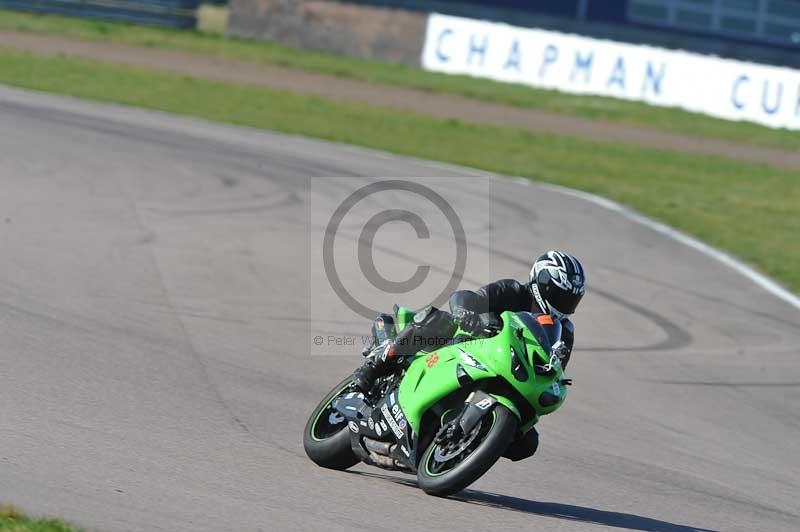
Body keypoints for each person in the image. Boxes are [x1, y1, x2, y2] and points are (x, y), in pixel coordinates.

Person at [352, 250, 586, 392]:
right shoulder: (513, 291)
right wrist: (467, 313)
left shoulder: (564, 331)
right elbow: (468, 297)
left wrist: (555, 378)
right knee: (436, 319)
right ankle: (376, 366)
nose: (565, 305)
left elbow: (555, 371)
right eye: (561, 297)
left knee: (526, 443)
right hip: (467, 342)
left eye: (571, 300)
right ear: (542, 284)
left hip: (505, 369)